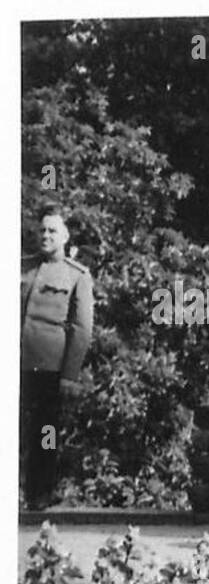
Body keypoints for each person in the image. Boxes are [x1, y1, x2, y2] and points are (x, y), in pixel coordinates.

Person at [20, 204, 94, 511]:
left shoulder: (77, 275)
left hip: (48, 366)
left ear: (65, 237)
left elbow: (82, 328)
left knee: (45, 431)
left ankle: (40, 491)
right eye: (42, 230)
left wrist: (69, 375)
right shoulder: (21, 267)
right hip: (18, 362)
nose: (45, 236)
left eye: (52, 230)